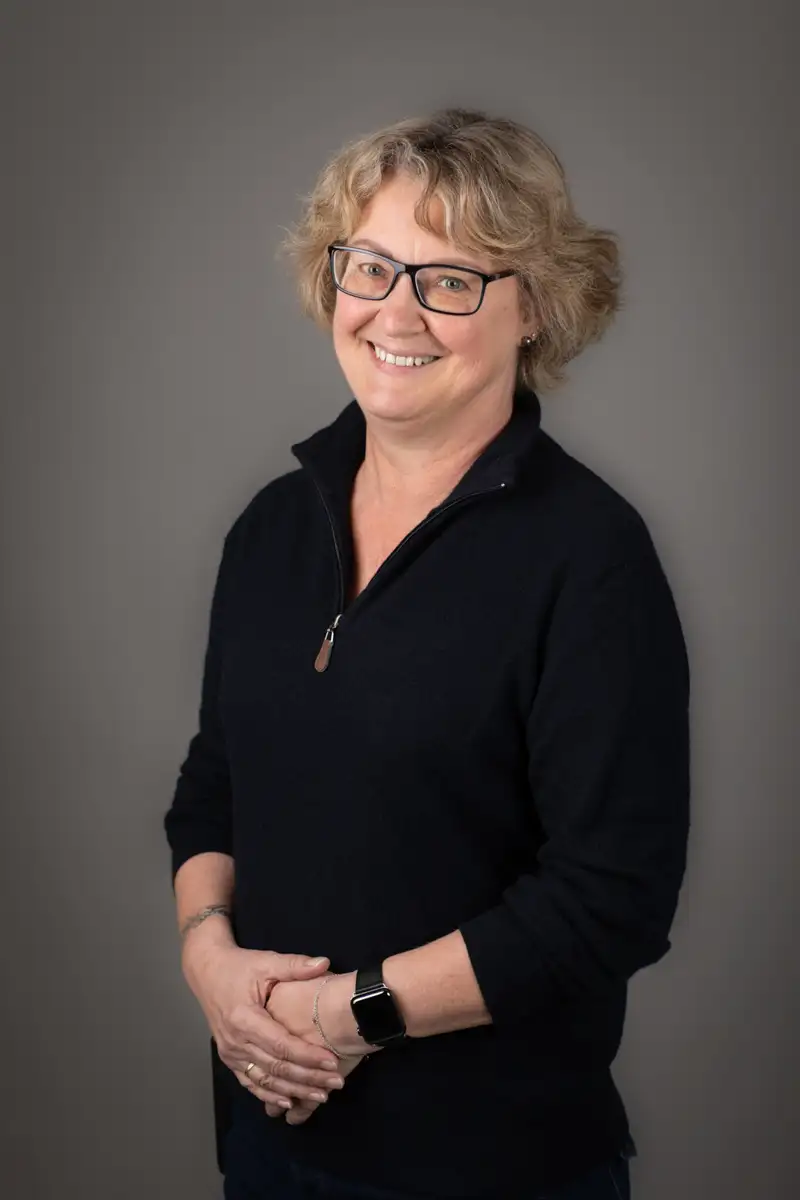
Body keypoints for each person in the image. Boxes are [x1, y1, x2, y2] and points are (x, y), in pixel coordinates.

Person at [164, 107, 690, 1200]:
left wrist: (346, 1012)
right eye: (368, 267)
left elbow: (609, 900)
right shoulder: (270, 529)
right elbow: (214, 788)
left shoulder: (587, 556)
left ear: (533, 308)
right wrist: (207, 961)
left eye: (449, 280)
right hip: (270, 1139)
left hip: (489, 1163)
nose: (394, 313)